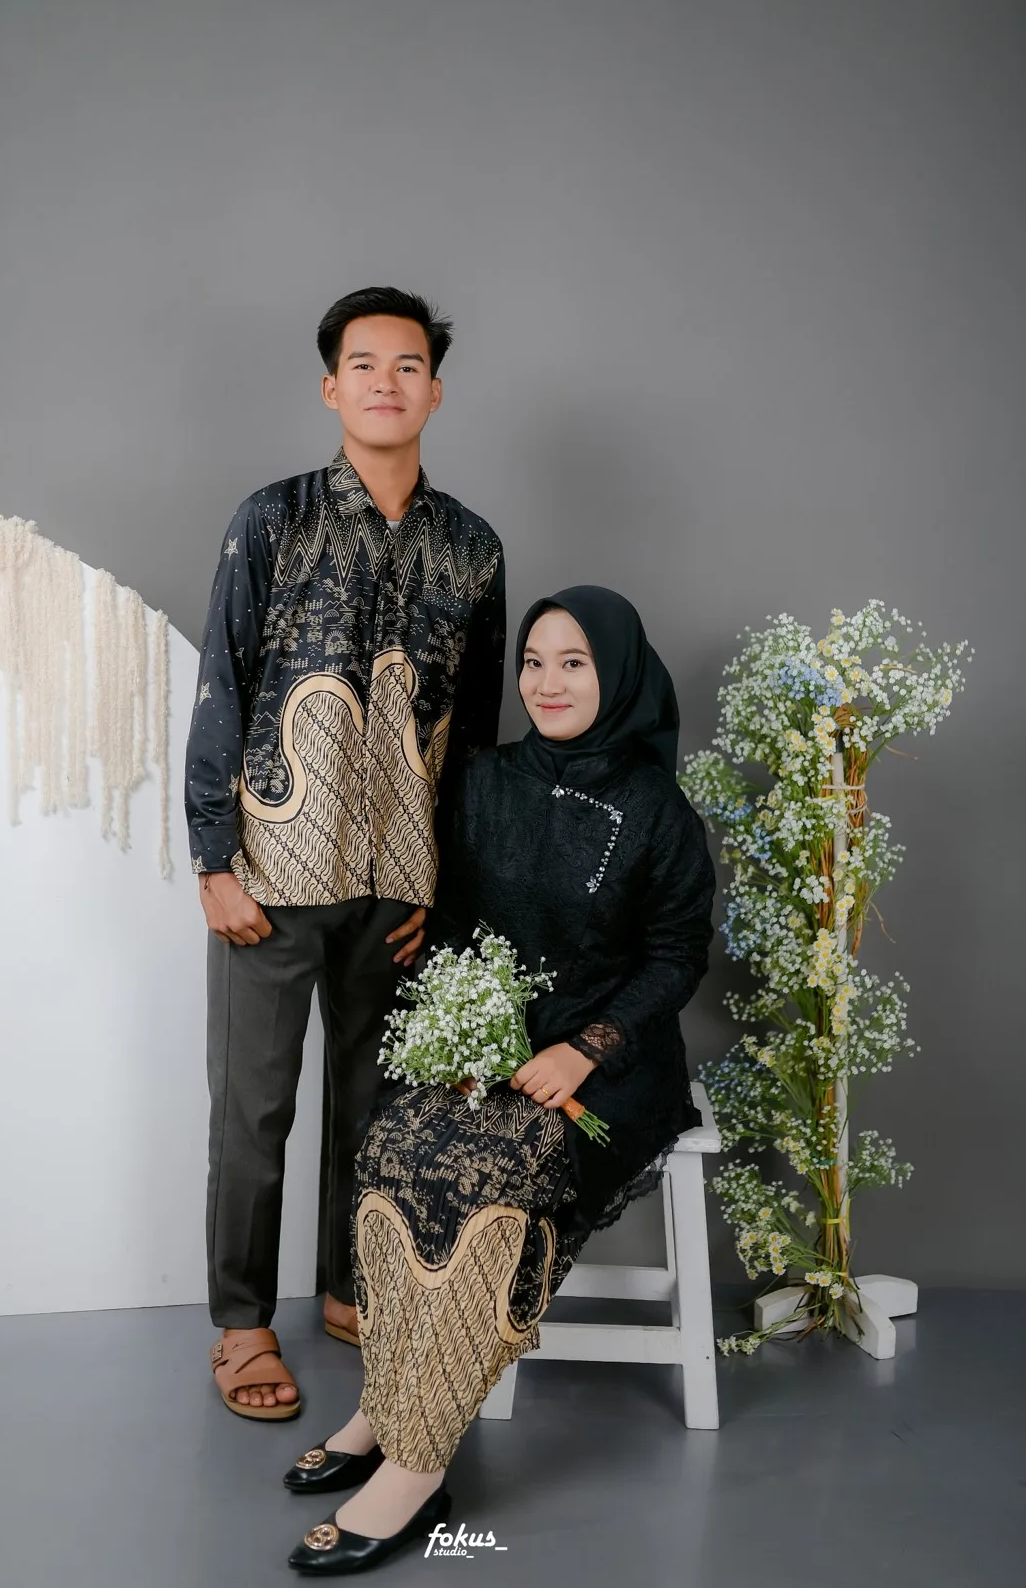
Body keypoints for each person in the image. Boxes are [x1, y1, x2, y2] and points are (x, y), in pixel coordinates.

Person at [282, 585, 716, 1574]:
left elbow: (675, 957)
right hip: (491, 1047)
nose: (546, 682)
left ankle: (417, 1463)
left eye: (574, 662)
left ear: (617, 674)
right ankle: (386, 1402)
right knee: (395, 1144)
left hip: (607, 1066)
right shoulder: (483, 779)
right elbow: (453, 922)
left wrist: (585, 1049)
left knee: (483, 1174)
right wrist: (457, 1024)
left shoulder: (658, 810)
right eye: (533, 661)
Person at [186, 287, 506, 1420]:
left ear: (435, 391)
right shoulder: (272, 520)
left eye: (407, 365)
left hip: (401, 884)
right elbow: (222, 684)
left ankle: (349, 1289)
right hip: (273, 874)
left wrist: (451, 890)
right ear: (332, 386)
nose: (385, 382)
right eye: (363, 364)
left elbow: (476, 737)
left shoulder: (472, 547)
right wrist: (213, 860)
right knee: (254, 1113)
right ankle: (240, 1324)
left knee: (376, 1113)